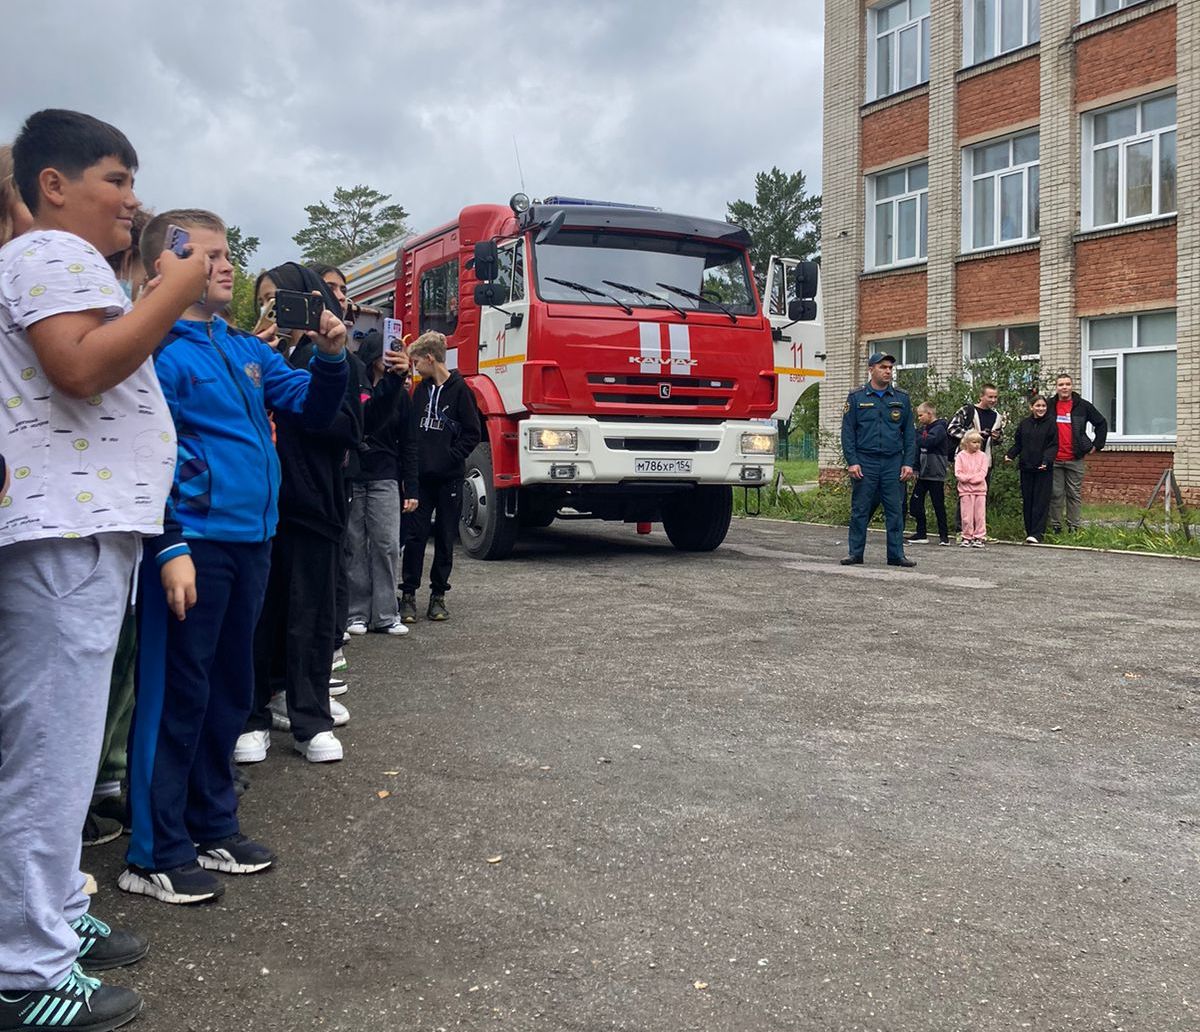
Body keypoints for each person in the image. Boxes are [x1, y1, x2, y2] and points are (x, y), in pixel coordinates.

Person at [0, 108, 208, 1031]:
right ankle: (23, 971)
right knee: (50, 751)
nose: (131, 201)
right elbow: (80, 368)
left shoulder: (61, 262)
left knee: (61, 747)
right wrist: (174, 289)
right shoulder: (51, 253)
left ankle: (49, 921)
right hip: (66, 533)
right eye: (116, 181)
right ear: (54, 186)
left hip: (78, 530)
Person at [117, 211, 349, 905]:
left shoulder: (243, 346)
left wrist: (335, 356)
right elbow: (141, 456)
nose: (227, 267)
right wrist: (170, 544)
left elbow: (309, 407)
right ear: (167, 264)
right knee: (175, 695)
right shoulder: (152, 348)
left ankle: (211, 823)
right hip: (193, 546)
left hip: (253, 541)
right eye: (211, 255)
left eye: (227, 255)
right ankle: (152, 850)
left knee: (228, 693)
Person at [240, 263, 362, 764]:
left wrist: (297, 390)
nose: (275, 311)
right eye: (265, 302)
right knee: (259, 615)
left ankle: (311, 718)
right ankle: (252, 716)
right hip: (257, 506)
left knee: (310, 617)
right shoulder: (245, 354)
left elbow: (345, 428)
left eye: (282, 300)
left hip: (312, 502)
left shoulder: (331, 353)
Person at [399, 331, 482, 620]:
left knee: (446, 537)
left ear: (430, 359)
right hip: (421, 480)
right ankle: (408, 594)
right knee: (415, 536)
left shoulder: (461, 391)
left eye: (417, 362)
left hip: (448, 479)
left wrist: (450, 456)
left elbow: (473, 432)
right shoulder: (420, 391)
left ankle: (438, 596)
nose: (415, 367)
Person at [345, 329, 418, 635]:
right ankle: (357, 613)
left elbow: (409, 443)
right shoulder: (354, 387)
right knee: (355, 545)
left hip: (386, 474)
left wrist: (411, 487)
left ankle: (387, 613)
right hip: (355, 474)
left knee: (387, 544)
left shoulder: (400, 395)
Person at [839, 351, 916, 568]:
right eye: (883, 367)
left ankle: (896, 555)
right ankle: (855, 553)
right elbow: (848, 432)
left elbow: (909, 434)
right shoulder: (857, 397)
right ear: (871, 369)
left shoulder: (901, 398)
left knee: (895, 510)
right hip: (865, 461)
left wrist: (908, 463)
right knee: (860, 510)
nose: (888, 371)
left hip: (892, 462)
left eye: (890, 368)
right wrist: (852, 461)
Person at [1048, 374, 1108, 534]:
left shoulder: (1082, 406)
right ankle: (1056, 527)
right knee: (1055, 494)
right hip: (1054, 458)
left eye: (1067, 384)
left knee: (1074, 494)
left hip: (1075, 458)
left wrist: (1097, 445)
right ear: (1056, 387)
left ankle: (1074, 526)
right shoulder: (1049, 405)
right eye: (1061, 384)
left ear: (1072, 386)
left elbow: (1101, 423)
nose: (1064, 387)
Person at [1005, 394, 1058, 543]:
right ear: (1031, 407)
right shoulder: (1024, 424)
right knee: (1028, 500)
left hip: (1043, 468)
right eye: (1038, 406)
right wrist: (1010, 455)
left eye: (1043, 406)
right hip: (1026, 467)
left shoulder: (1051, 423)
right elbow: (1018, 443)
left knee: (1040, 501)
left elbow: (1053, 445)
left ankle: (1037, 533)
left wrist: (1046, 460)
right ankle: (1029, 531)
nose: (1041, 409)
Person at [906, 402, 950, 545]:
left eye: (921, 415)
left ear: (929, 414)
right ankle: (921, 533)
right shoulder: (922, 430)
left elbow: (928, 442)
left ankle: (944, 536)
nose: (919, 418)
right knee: (916, 502)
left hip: (936, 473)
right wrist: (916, 468)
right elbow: (918, 450)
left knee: (938, 505)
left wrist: (914, 436)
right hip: (923, 473)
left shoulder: (940, 429)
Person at [955, 430, 989, 548]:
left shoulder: (983, 456)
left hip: (980, 490)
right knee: (966, 516)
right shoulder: (960, 456)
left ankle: (979, 537)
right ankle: (967, 536)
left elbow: (983, 473)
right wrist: (969, 478)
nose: (977, 445)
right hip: (965, 491)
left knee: (979, 515)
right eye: (974, 442)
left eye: (979, 442)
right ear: (967, 443)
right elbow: (958, 473)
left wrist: (972, 479)